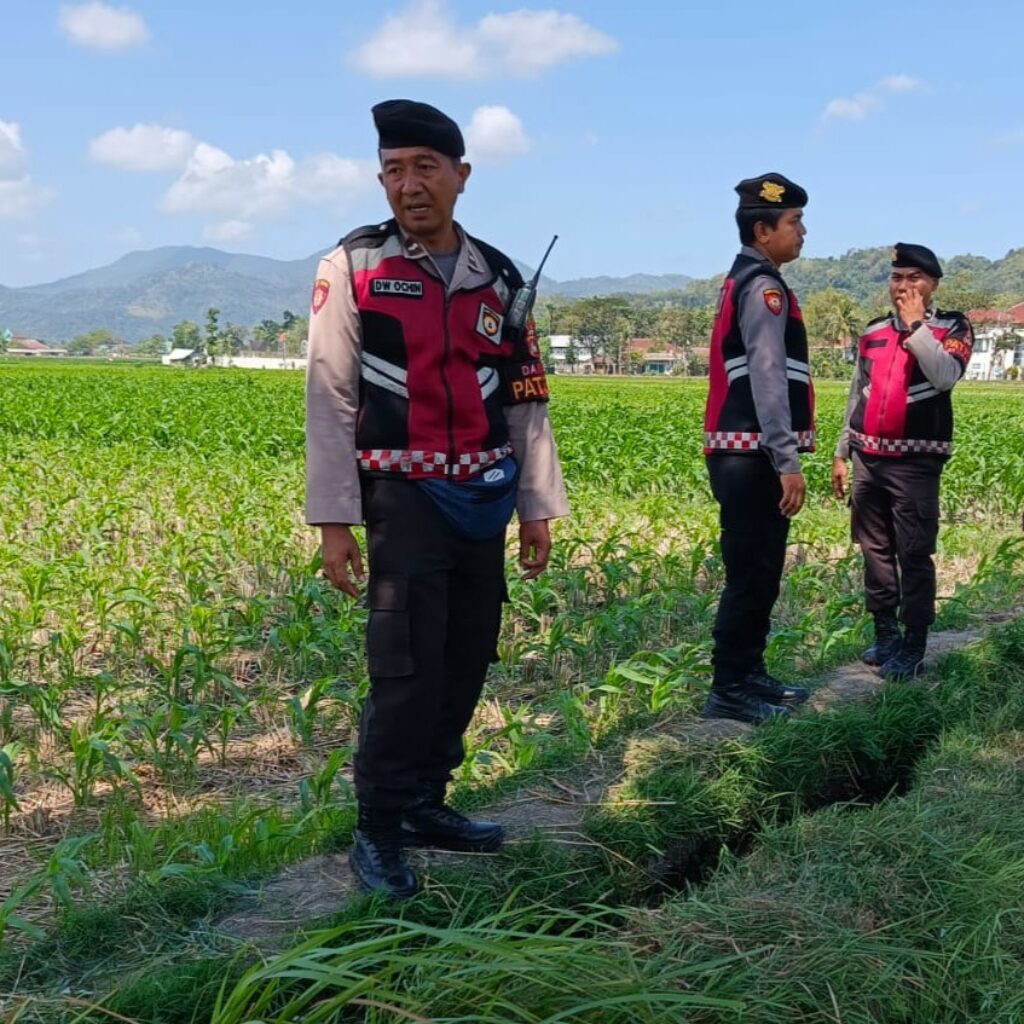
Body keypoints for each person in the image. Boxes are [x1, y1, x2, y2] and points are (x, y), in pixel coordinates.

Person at [305, 99, 568, 899]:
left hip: (483, 496)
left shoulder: (500, 277)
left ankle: (427, 803)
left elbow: (525, 396)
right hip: (403, 494)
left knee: (464, 656)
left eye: (425, 168)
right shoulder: (351, 268)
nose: (408, 185)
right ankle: (378, 831)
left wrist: (536, 504)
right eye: (394, 170)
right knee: (408, 666)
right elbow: (331, 395)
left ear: (461, 177)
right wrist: (334, 520)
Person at [701, 173, 816, 725]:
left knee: (761, 569)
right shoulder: (763, 286)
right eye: (794, 222)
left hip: (748, 452)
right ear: (763, 228)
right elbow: (768, 376)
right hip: (753, 455)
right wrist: (786, 458)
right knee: (751, 571)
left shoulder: (748, 279)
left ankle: (749, 673)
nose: (803, 232)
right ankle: (729, 686)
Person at [832, 244, 973, 680]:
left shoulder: (953, 327)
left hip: (915, 463)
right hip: (867, 459)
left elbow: (945, 375)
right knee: (874, 550)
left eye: (915, 278)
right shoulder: (873, 331)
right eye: (897, 278)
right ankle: (886, 633)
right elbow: (857, 393)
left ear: (933, 284)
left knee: (913, 551)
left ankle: (914, 643)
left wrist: (916, 328)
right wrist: (841, 453)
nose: (904, 287)